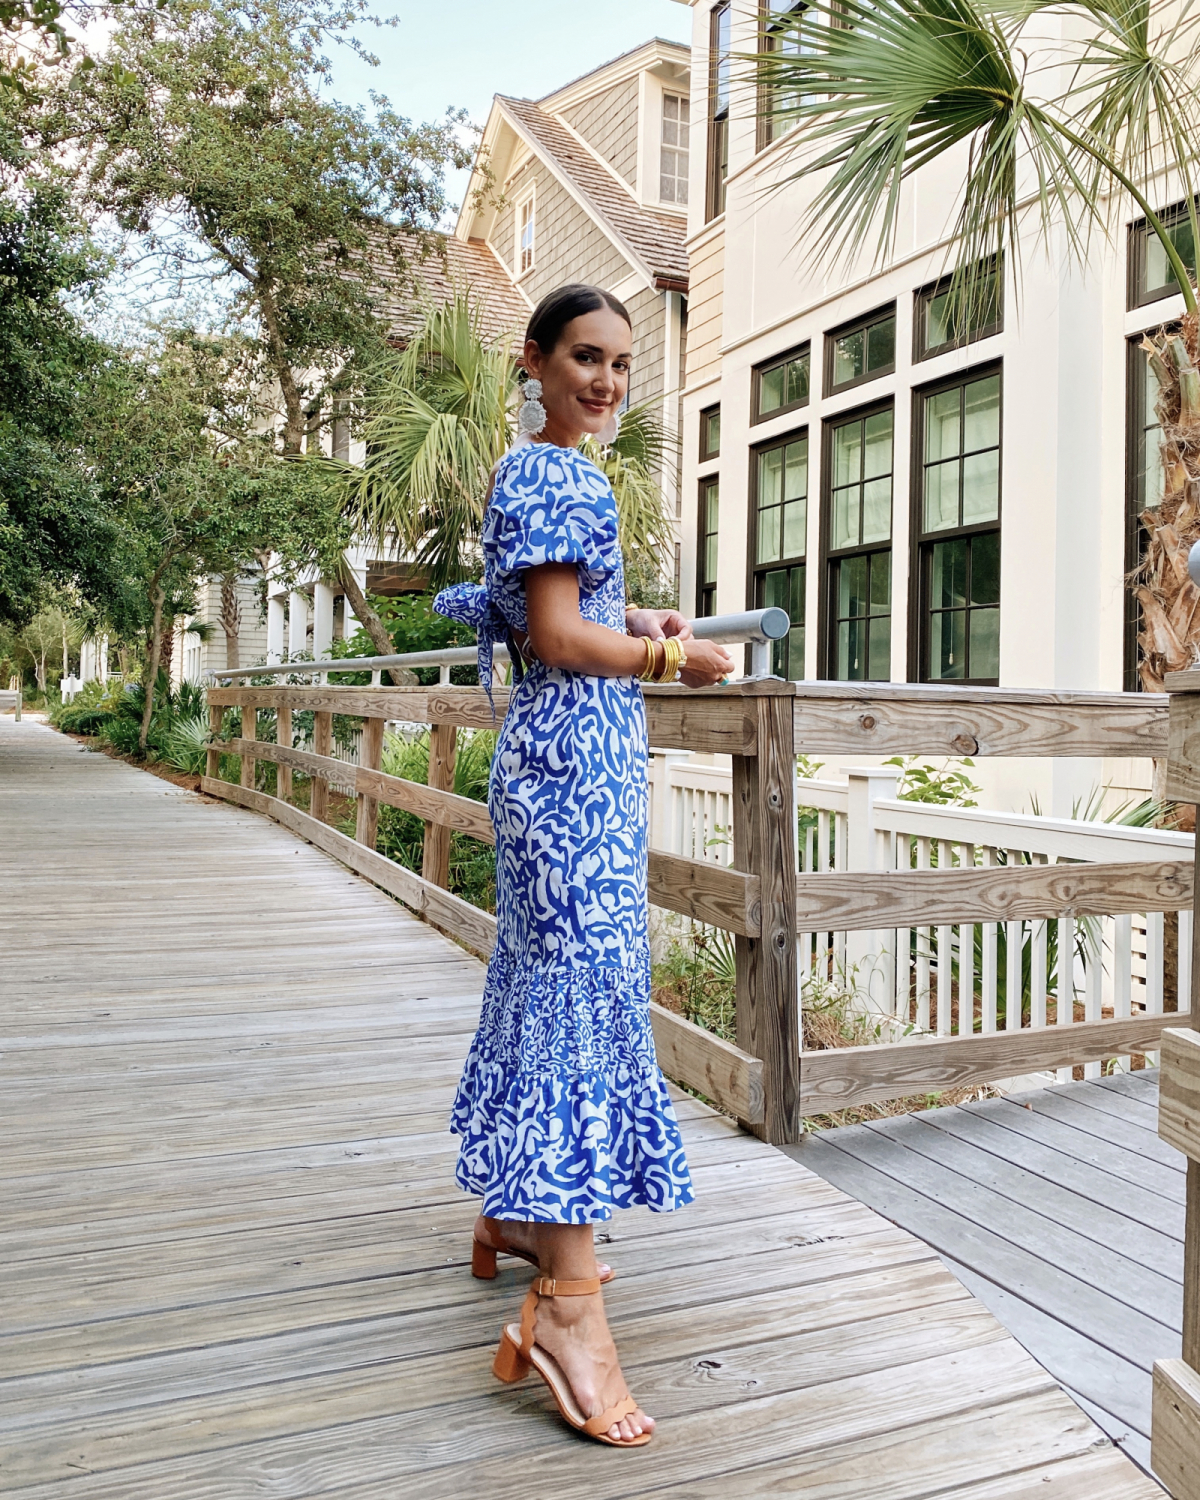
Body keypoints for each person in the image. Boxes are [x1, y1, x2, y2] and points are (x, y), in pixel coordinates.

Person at [435, 283, 735, 1448]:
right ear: (537, 360)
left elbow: (538, 606)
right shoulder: (555, 471)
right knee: (576, 1000)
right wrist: (672, 660)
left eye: (618, 363)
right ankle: (563, 1306)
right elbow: (557, 638)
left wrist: (637, 615)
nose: (607, 380)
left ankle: (520, 1214)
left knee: (546, 992)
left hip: (560, 768)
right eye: (585, 359)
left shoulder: (533, 471)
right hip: (573, 775)